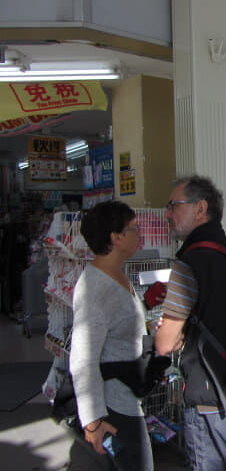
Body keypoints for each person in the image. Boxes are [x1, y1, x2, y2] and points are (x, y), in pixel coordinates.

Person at [155, 176, 226, 471]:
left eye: (173, 206)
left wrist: (174, 333)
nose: (167, 214)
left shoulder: (188, 263)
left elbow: (165, 343)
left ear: (200, 208)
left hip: (212, 401)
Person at [69, 201, 153, 471]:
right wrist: (92, 421)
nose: (139, 233)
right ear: (115, 238)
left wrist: (147, 304)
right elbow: (82, 360)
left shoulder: (117, 273)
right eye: (134, 228)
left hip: (128, 398)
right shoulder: (94, 288)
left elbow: (118, 322)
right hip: (114, 408)